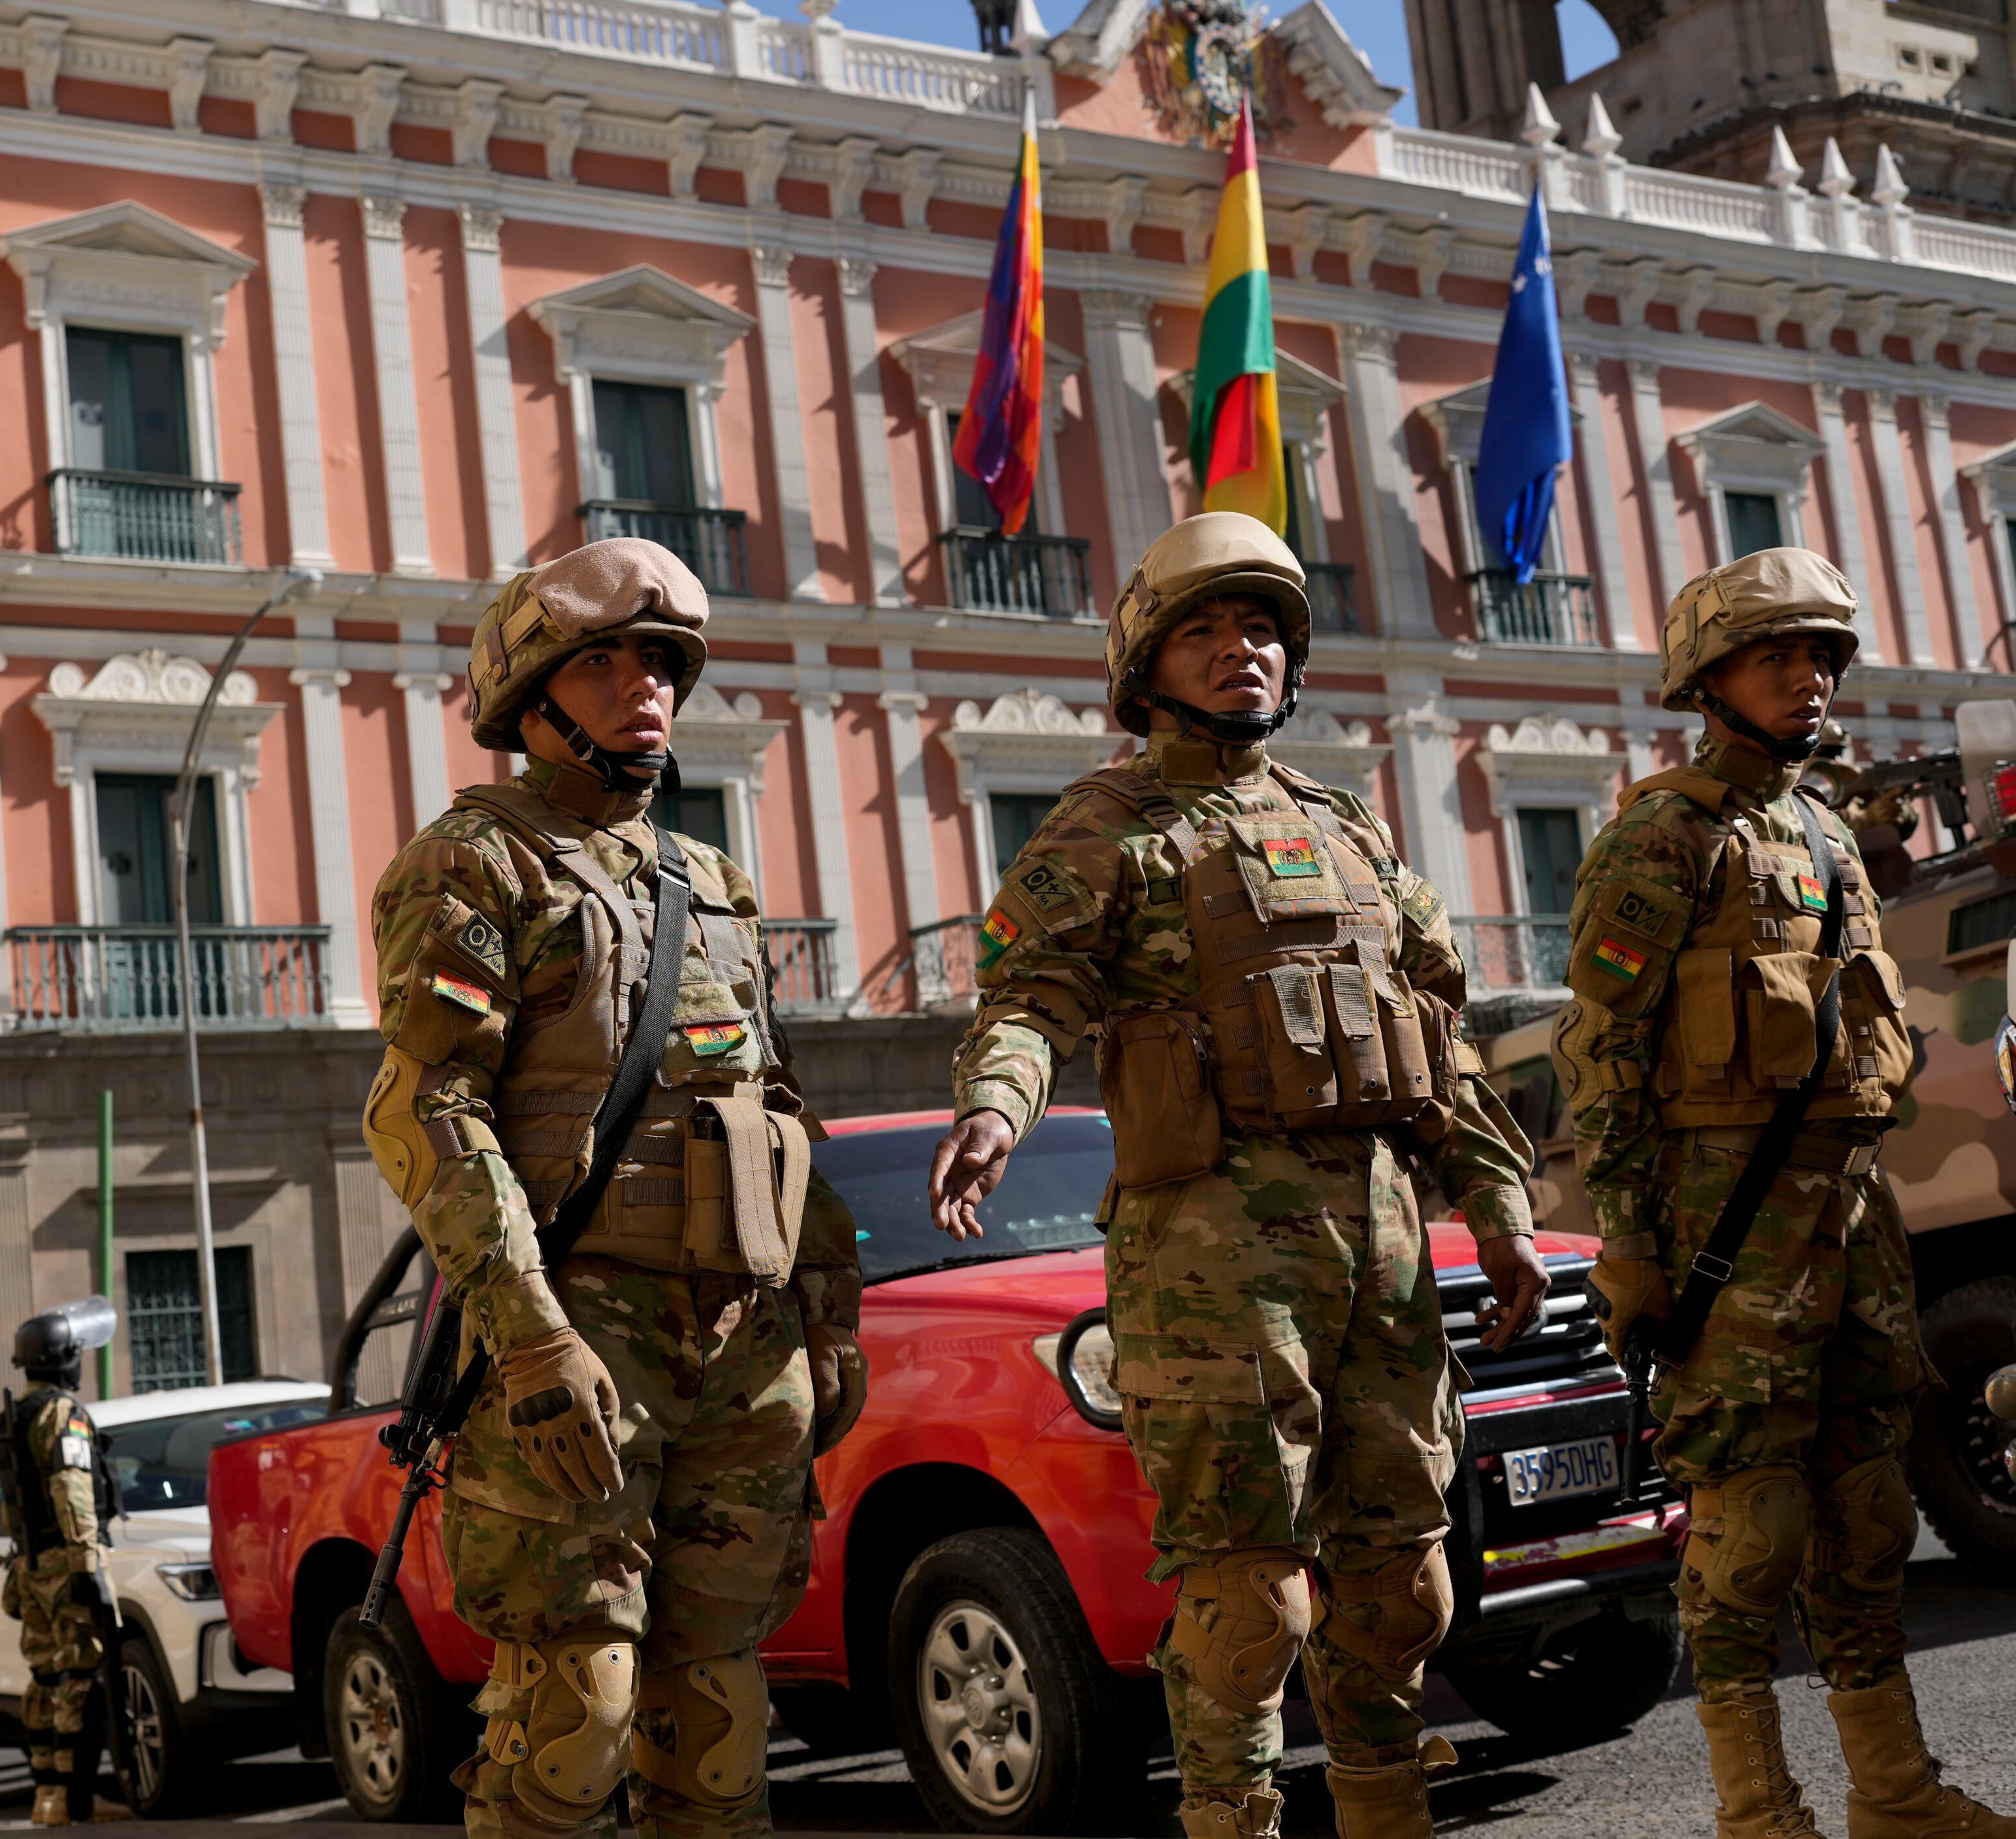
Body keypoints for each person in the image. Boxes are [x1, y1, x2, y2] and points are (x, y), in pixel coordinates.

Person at [924, 513, 1547, 1839]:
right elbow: (1028, 1001)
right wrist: (995, 1107)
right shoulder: (1103, 827)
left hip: (1377, 1247)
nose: (1241, 650)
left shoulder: (1349, 831)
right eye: (1204, 630)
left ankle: (1385, 1814)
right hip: (1209, 1263)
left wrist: (1496, 1207)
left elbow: (1442, 1040)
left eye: (1260, 627)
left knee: (1403, 1582)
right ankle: (1233, 1819)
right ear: (1146, 662)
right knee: (1245, 1598)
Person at [361, 537, 865, 1839]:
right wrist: (527, 1339)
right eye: (602, 662)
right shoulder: (475, 861)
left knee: (718, 1729)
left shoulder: (717, 887)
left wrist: (829, 1310)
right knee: (572, 1722)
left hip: (742, 1358)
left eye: (660, 660)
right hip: (578, 1348)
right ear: (532, 700)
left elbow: (779, 1114)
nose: (643, 684)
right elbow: (429, 1107)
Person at [1558, 550, 2016, 1839]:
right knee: (1749, 1532)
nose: (1808, 678)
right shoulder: (1657, 837)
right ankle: (1756, 1813)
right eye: (1777, 655)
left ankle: (1895, 1796)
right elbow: (1599, 1054)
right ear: (1707, 678)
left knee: (1866, 1511)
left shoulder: (1825, 832)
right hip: (1724, 1247)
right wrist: (1626, 1246)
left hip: (1849, 1228)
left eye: (1821, 656)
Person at [0, 1299, 127, 1827]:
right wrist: (88, 1562)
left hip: (31, 1565)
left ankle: (47, 1797)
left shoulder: (12, 1415)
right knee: (82, 1678)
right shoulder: (62, 1414)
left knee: (44, 1679)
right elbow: (72, 1489)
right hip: (67, 1564)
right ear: (65, 1359)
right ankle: (77, 1800)